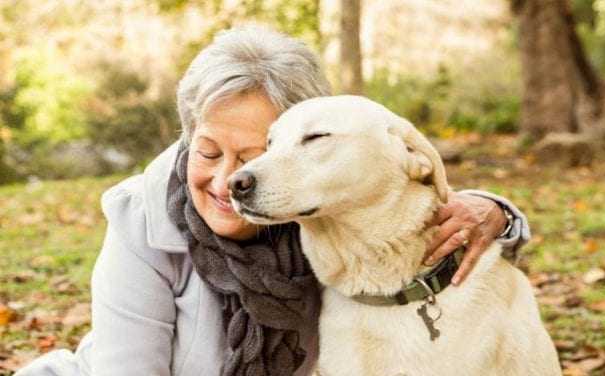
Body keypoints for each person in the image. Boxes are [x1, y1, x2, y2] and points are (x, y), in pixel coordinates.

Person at [16, 25, 530, 376]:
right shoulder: (141, 219)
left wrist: (497, 212)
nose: (229, 180)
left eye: (254, 153)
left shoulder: (314, 209)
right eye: (208, 150)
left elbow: (402, 191)